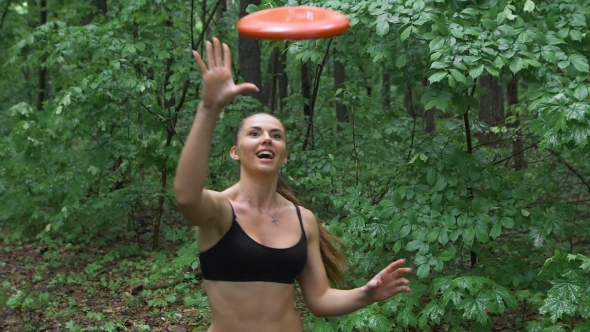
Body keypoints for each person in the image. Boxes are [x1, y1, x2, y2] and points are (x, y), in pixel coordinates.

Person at [174, 37, 412, 332]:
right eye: (254, 133)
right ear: (235, 152)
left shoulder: (303, 220)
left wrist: (368, 293)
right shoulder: (220, 211)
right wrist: (209, 109)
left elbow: (320, 299)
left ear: (284, 156)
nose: (266, 139)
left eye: (276, 135)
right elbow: (186, 197)